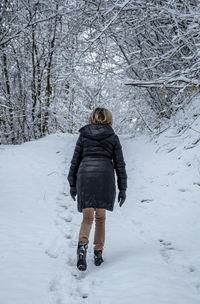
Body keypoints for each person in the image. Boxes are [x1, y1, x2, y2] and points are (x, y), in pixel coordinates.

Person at [67, 107, 127, 271]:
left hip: (85, 176)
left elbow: (75, 161)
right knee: (100, 217)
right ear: (108, 118)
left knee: (87, 218)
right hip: (104, 177)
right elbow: (120, 165)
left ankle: (82, 246)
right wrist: (123, 188)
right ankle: (98, 252)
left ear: (92, 118)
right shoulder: (113, 137)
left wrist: (72, 183)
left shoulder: (83, 135)